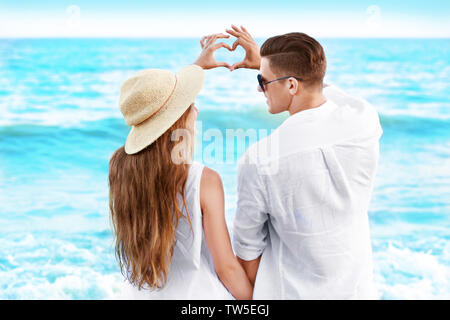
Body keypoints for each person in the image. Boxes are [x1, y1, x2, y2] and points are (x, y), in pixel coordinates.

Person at [225, 25, 383, 299]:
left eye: (263, 82)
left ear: (291, 85)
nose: (260, 89)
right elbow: (322, 88)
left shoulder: (260, 158)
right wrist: (269, 66)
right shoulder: (364, 120)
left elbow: (247, 254)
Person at [108, 33, 252, 300]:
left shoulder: (120, 168)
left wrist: (196, 67)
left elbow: (153, 101)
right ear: (177, 119)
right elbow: (227, 268)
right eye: (189, 103)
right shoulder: (202, 179)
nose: (195, 109)